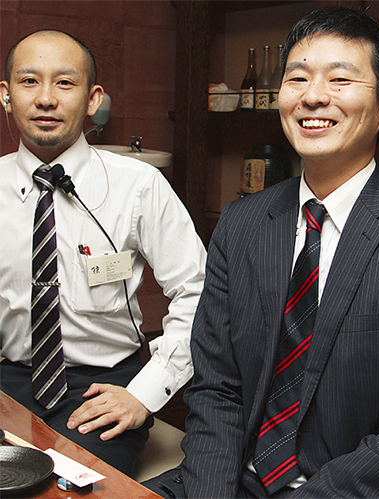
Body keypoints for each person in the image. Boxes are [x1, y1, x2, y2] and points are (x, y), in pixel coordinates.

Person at [144, 6, 379, 498]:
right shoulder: (241, 224)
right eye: (297, 78)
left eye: (340, 79)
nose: (313, 96)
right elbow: (217, 388)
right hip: (231, 480)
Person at [0, 29, 206, 475]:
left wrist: (144, 393)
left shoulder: (140, 185)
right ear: (6, 95)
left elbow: (199, 293)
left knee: (66, 483)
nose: (46, 99)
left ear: (93, 99)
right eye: (29, 81)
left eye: (65, 83)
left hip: (103, 385)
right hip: (9, 379)